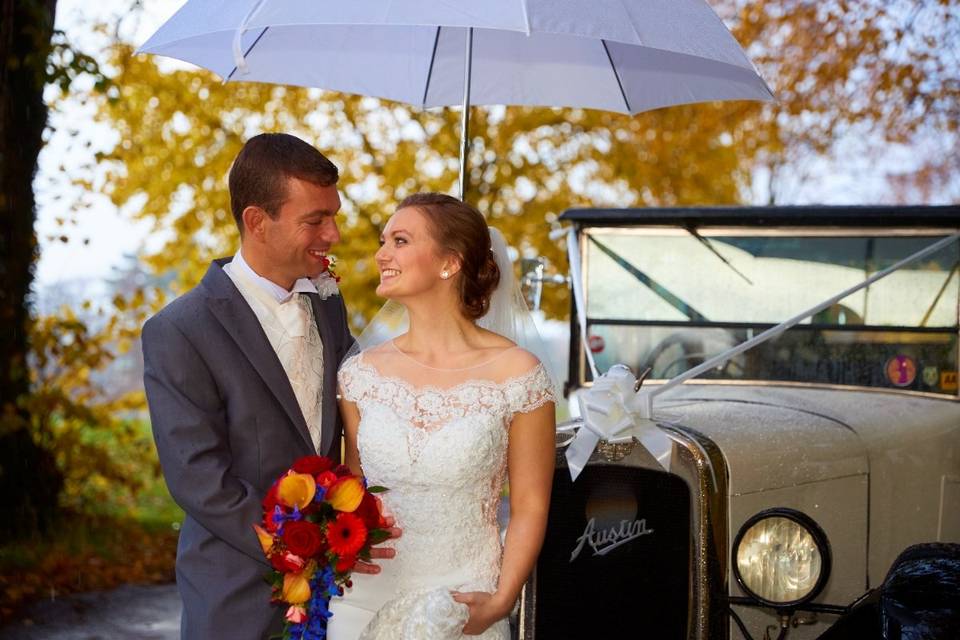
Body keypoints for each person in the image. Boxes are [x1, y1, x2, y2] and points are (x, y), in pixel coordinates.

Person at [142, 133, 396, 639]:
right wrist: (296, 548)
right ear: (257, 221)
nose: (335, 234)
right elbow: (198, 480)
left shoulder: (328, 304)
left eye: (334, 215)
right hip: (236, 593)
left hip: (338, 594)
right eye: (315, 220)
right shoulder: (180, 330)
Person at [329, 193, 557, 639]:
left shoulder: (519, 374)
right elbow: (351, 488)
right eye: (383, 241)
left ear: (448, 263)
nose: (381, 254)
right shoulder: (360, 375)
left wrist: (501, 601)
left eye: (400, 241)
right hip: (359, 600)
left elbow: (531, 504)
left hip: (463, 604)